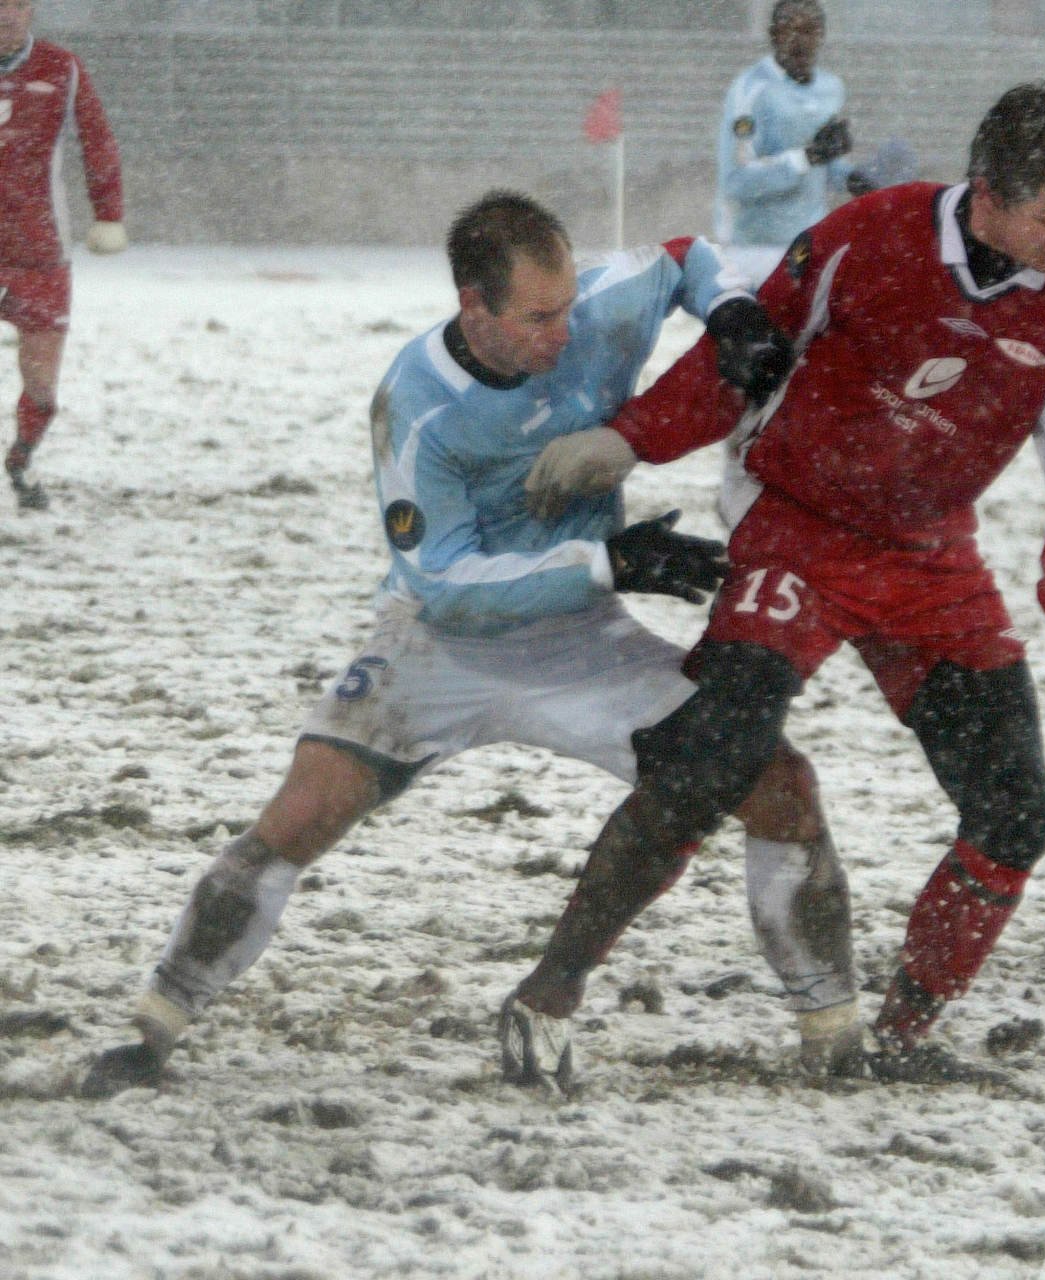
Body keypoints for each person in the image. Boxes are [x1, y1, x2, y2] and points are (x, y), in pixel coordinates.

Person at [80, 191, 854, 1100]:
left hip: (580, 639)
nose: (563, 336)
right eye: (536, 319)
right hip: (442, 643)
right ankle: (154, 1028)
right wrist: (604, 561)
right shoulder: (416, 406)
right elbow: (444, 580)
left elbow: (684, 255)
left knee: (778, 783)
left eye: (567, 309)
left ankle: (836, 1039)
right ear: (471, 305)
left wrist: (728, 312)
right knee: (300, 817)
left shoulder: (594, 305)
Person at [508, 82, 1045, 1080]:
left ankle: (900, 1037)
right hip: (801, 534)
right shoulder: (873, 233)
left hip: (933, 562)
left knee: (1018, 809)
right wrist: (628, 439)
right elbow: (744, 354)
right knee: (710, 756)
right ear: (987, 193)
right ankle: (551, 986)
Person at [0, 0, 126, 512]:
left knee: (44, 388)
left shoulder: (60, 67)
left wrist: (109, 213)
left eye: (15, 3)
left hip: (38, 251)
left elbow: (98, 143)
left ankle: (21, 460)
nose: (4, 14)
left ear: (30, 10)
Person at [714, 0, 912, 285]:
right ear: (773, 35)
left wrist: (858, 181)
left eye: (809, 31)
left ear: (822, 35)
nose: (800, 41)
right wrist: (807, 157)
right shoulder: (752, 90)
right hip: (753, 249)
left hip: (808, 247)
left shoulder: (830, 89)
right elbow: (736, 182)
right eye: (789, 30)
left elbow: (823, 169)